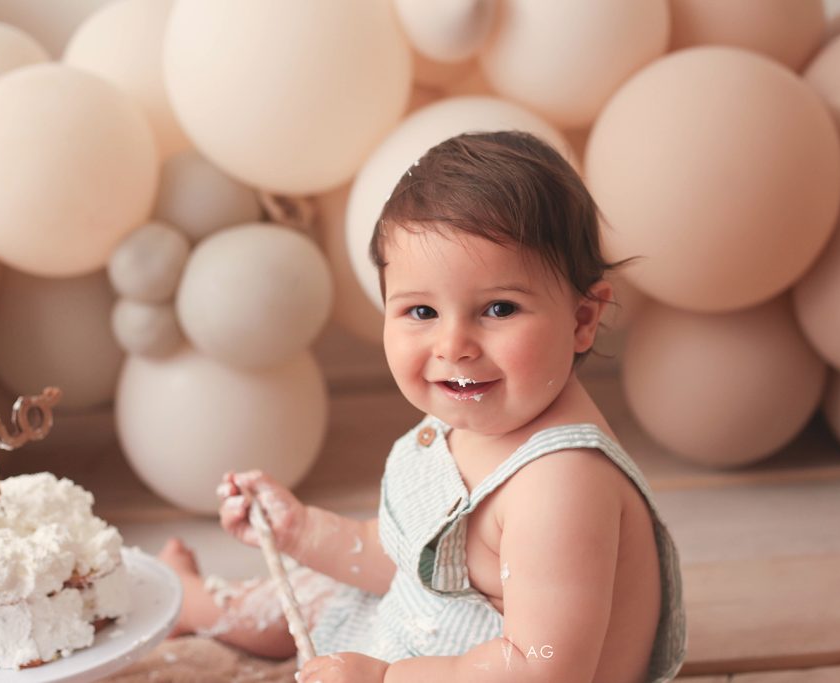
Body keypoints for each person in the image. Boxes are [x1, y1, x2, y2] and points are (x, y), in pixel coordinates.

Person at [160, 131, 686, 682]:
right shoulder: (475, 414)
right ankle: (195, 603)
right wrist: (302, 532)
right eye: (421, 312)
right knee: (310, 594)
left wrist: (383, 678)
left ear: (582, 319)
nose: (453, 344)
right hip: (430, 634)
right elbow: (412, 561)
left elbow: (542, 668)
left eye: (499, 308)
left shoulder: (558, 485)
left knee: (322, 618)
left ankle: (203, 606)